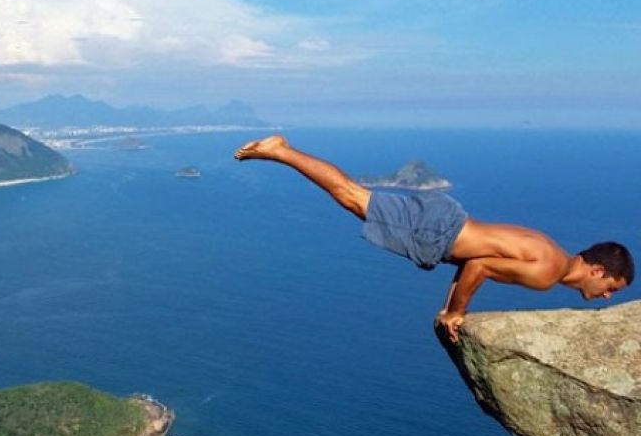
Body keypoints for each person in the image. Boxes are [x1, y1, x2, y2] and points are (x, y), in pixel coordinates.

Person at [234, 134, 634, 343]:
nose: (606, 296)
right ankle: (281, 151)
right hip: (440, 232)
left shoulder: (550, 251)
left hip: (450, 225)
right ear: (597, 269)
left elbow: (475, 258)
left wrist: (447, 310)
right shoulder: (548, 273)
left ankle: (281, 151)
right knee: (353, 197)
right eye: (609, 287)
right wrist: (458, 311)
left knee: (355, 198)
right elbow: (479, 265)